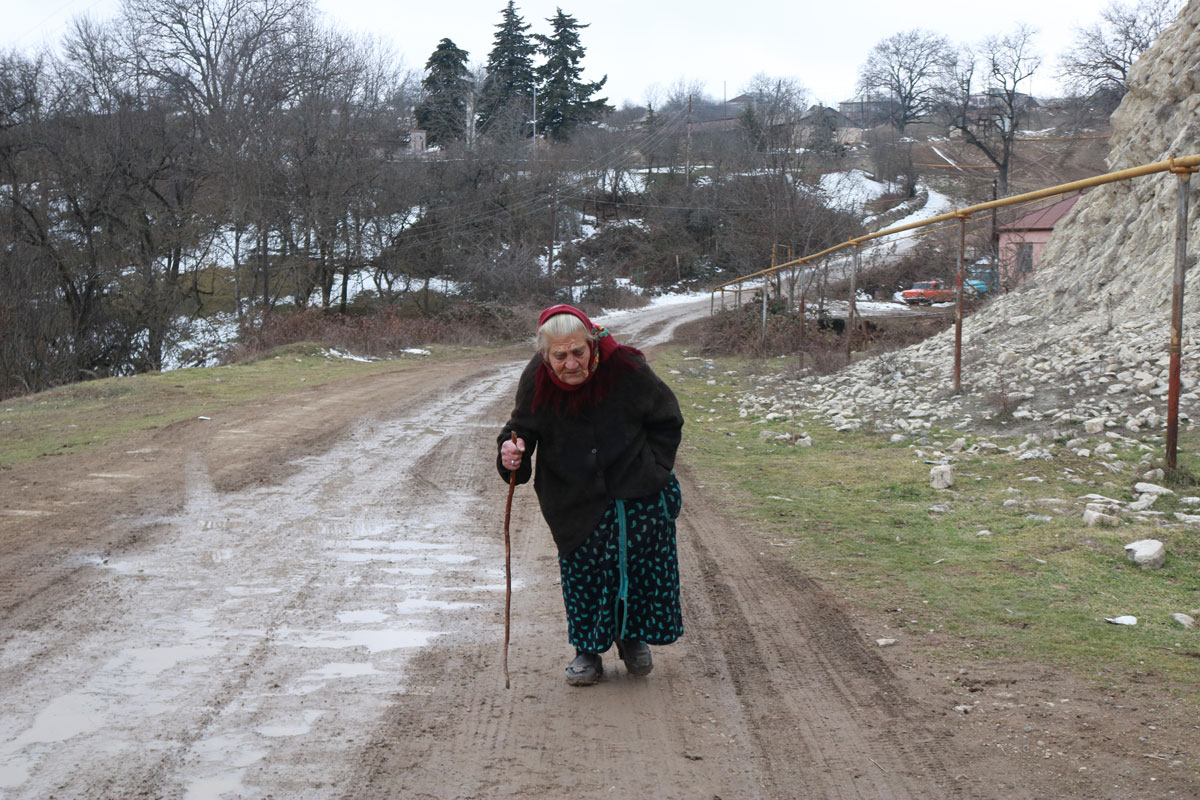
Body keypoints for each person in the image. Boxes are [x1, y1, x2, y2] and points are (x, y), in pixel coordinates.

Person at [497, 304, 685, 686]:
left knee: (635, 567)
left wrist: (655, 468)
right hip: (573, 494)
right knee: (584, 572)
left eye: (577, 352)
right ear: (545, 355)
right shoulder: (537, 379)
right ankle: (587, 650)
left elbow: (667, 418)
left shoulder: (626, 367)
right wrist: (512, 452)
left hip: (635, 488)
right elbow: (521, 428)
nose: (570, 364)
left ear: (592, 343)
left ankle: (632, 638)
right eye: (560, 356)